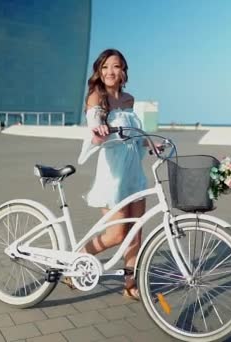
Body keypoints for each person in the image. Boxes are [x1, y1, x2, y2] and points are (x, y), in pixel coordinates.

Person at [74, 49, 147, 300]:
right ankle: (82, 254)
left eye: (115, 67)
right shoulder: (96, 97)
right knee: (117, 234)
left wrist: (152, 144)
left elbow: (134, 132)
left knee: (136, 231)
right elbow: (93, 127)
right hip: (112, 172)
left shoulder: (129, 100)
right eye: (105, 67)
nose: (110, 72)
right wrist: (99, 130)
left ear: (123, 71)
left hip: (133, 170)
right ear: (99, 70)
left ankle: (130, 283)